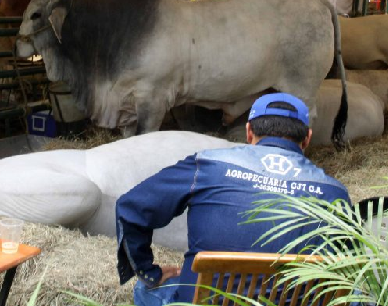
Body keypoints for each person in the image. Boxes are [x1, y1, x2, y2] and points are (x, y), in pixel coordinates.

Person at [115, 93, 351, 306]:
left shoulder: (207, 165)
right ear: (307, 138)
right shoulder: (334, 191)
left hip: (203, 302)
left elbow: (131, 208)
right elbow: (348, 272)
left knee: (146, 290)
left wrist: (149, 272)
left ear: (249, 132)